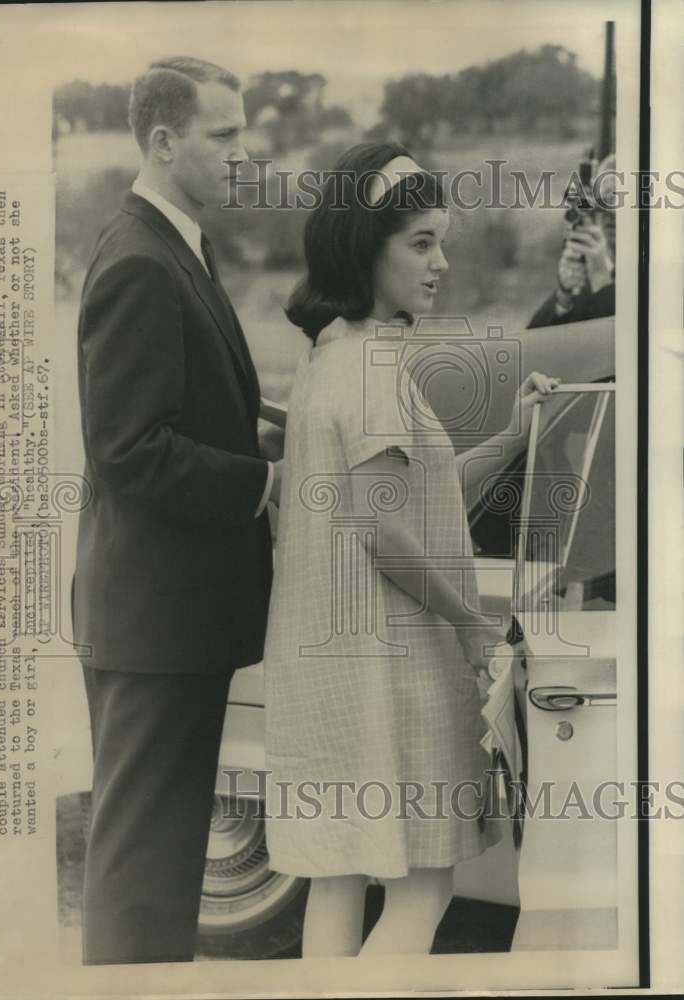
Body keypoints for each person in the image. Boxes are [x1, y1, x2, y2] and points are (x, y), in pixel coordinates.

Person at [262, 142, 559, 957]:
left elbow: (415, 503)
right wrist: (471, 625)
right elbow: (386, 533)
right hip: (387, 676)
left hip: (329, 675)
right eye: (421, 243)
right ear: (368, 246)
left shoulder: (331, 353)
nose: (443, 264)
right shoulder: (377, 367)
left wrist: (510, 438)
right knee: (424, 890)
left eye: (444, 241)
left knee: (336, 881)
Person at [72, 56, 281, 965]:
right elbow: (130, 451)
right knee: (140, 883)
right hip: (154, 631)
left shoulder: (175, 245)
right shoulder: (139, 262)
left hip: (172, 627)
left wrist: (270, 421)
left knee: (156, 881)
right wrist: (263, 480)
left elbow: (181, 405)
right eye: (226, 136)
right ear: (164, 141)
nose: (247, 153)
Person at [527, 154, 616, 328]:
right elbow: (535, 341)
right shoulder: (590, 269)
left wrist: (601, 280)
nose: (611, 213)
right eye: (605, 200)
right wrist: (564, 297)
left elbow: (624, 343)